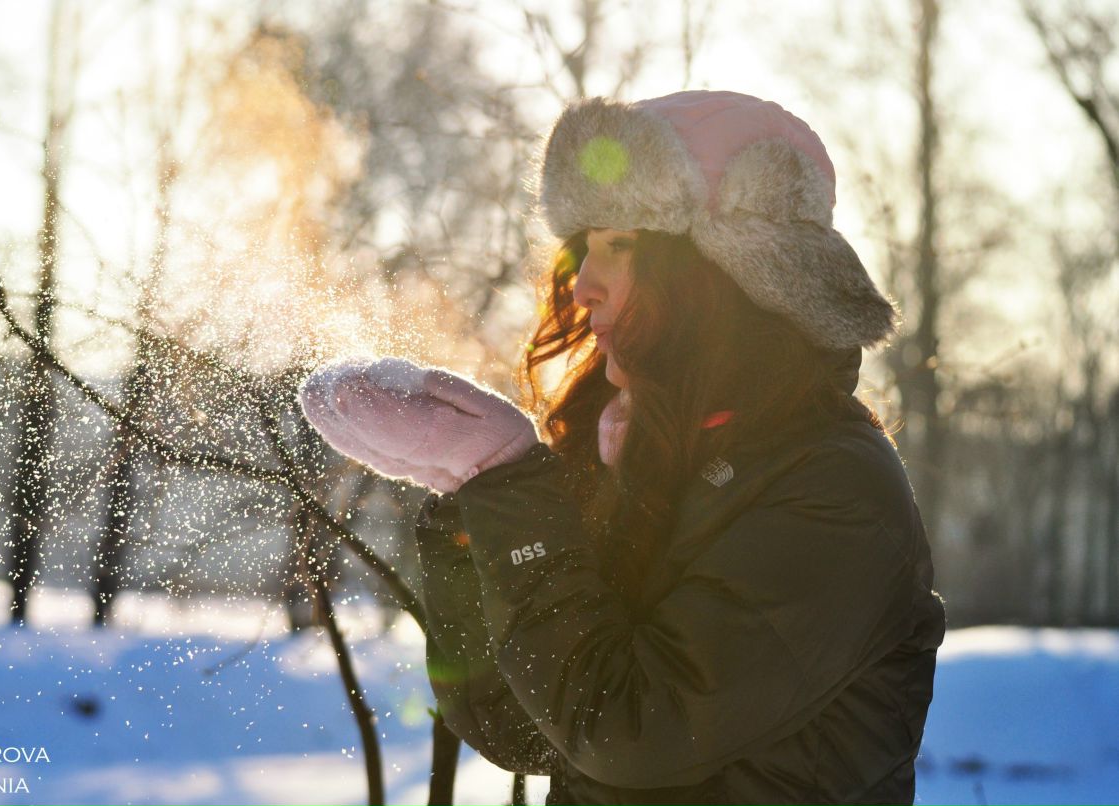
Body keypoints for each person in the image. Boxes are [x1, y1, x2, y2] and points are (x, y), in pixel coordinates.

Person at [298, 90, 946, 805]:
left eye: (620, 246)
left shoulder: (834, 489)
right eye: (585, 247)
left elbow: (629, 730)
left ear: (724, 272)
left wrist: (511, 488)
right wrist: (473, 506)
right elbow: (523, 730)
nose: (583, 287)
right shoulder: (640, 451)